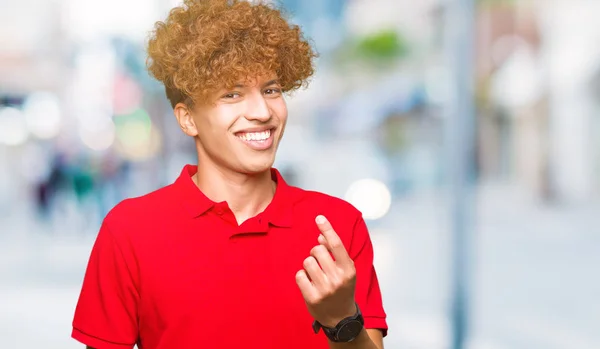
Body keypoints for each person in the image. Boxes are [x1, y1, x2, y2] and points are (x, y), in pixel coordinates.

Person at [71, 1, 388, 348]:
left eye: (271, 90)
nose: (262, 111)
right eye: (232, 94)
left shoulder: (339, 227)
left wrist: (341, 319)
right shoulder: (129, 231)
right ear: (187, 118)